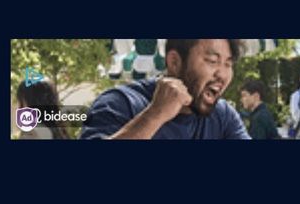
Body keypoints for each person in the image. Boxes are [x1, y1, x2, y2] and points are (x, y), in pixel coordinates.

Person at [80, 39, 248, 141]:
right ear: (174, 62)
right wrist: (155, 114)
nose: (222, 74)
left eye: (228, 64)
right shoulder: (120, 103)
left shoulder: (223, 116)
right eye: (212, 61)